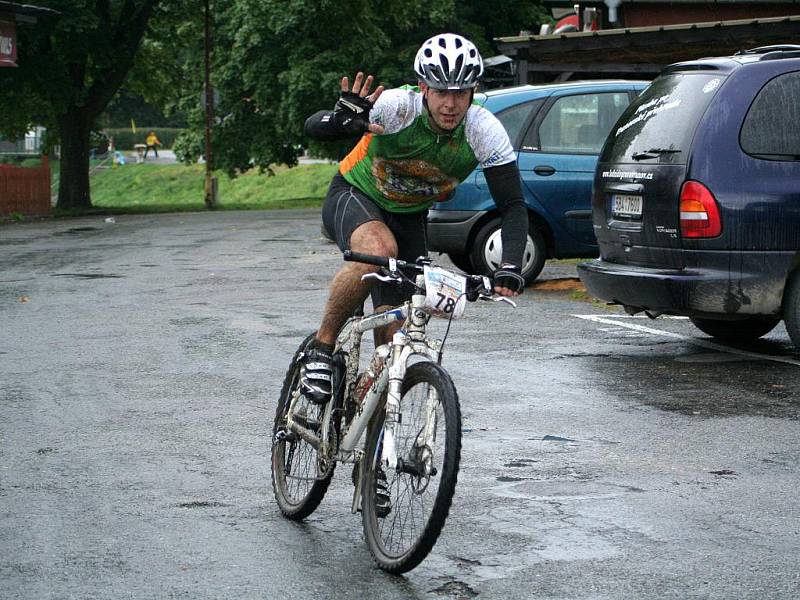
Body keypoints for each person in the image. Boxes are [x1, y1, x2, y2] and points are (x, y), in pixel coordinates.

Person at [299, 33, 528, 404]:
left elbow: (514, 207)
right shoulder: (396, 107)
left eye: (460, 92)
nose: (451, 104)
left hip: (409, 216)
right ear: (423, 87)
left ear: (473, 91)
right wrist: (340, 120)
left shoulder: (484, 131)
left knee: (396, 333)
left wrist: (510, 265)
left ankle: (367, 428)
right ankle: (322, 349)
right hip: (356, 195)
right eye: (441, 92)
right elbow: (313, 126)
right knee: (378, 248)